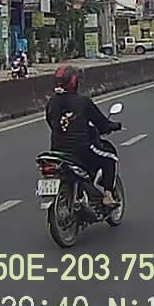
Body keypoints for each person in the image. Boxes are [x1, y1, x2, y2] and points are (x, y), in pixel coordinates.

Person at [45, 65, 121, 208]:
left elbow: (51, 123)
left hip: (57, 149)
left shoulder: (51, 103)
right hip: (81, 149)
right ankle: (108, 195)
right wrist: (114, 126)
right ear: (74, 82)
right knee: (110, 157)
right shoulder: (83, 102)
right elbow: (101, 124)